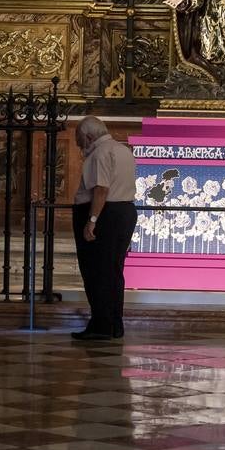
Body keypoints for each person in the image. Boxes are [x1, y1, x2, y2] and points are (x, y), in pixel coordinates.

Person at [71, 116, 137, 342]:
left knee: (96, 272)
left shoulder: (99, 153)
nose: (79, 145)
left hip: (105, 215)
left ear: (88, 136)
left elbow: (101, 189)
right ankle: (114, 324)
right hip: (124, 212)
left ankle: (101, 324)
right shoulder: (123, 150)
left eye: (79, 140)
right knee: (113, 272)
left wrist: (92, 220)